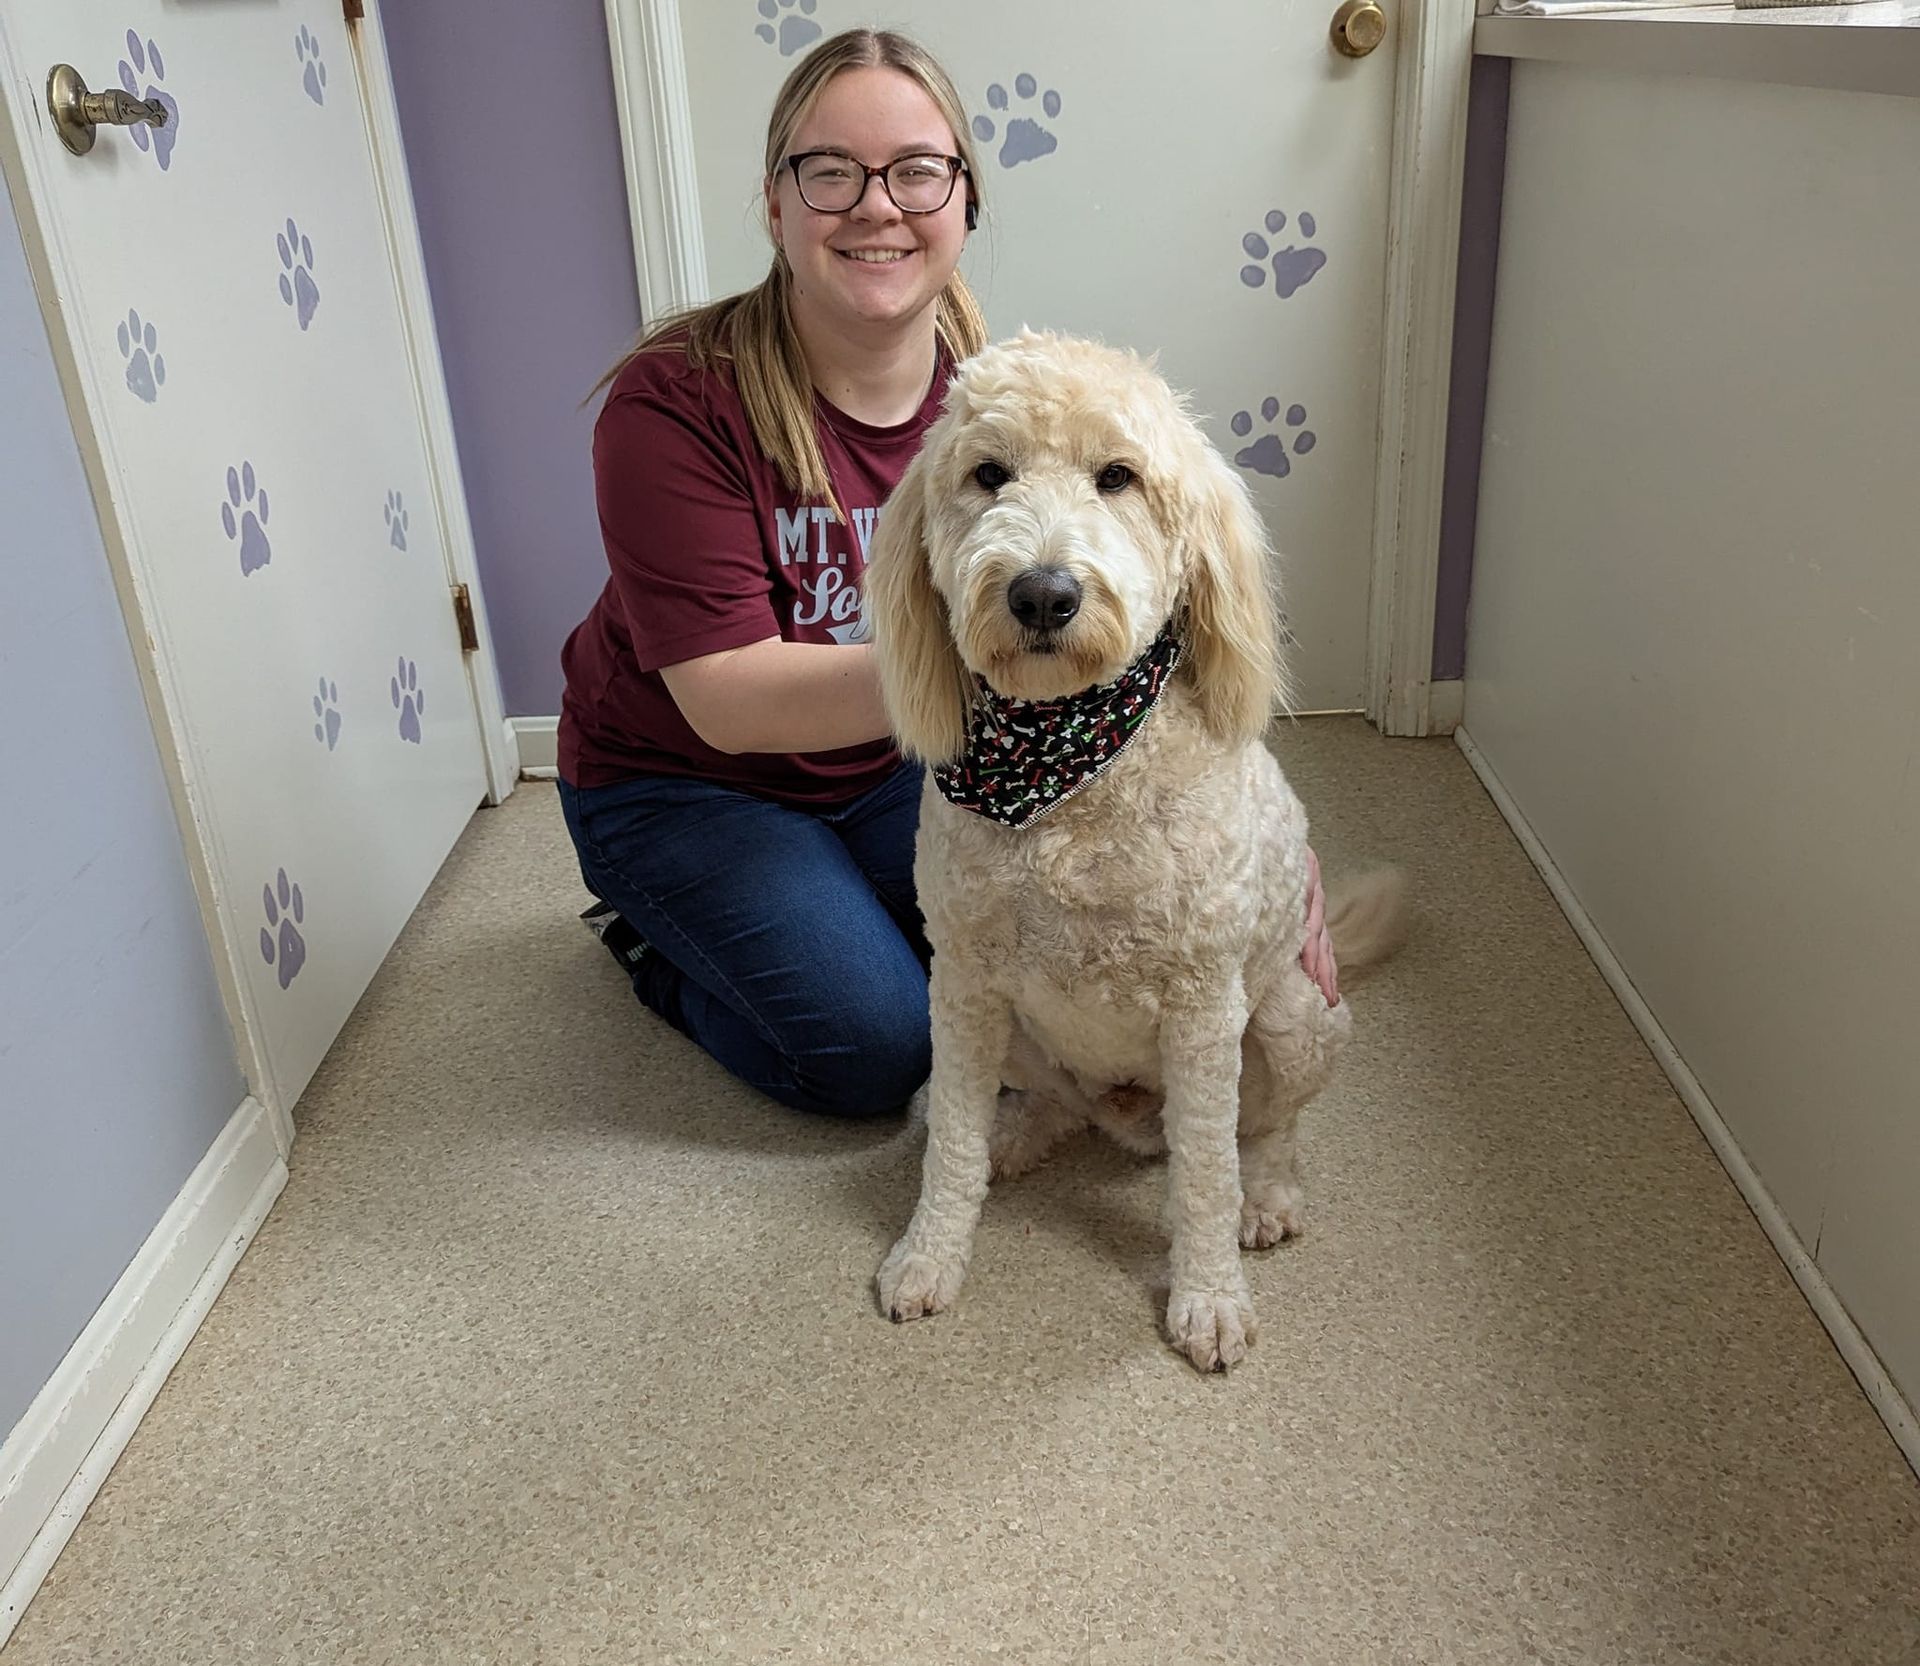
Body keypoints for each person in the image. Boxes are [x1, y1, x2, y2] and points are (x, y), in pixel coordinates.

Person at [556, 28, 1334, 1120]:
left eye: (918, 170)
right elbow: (725, 700)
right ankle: (651, 944)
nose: (877, 204)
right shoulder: (674, 404)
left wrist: (1270, 884)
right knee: (880, 1050)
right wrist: (1005, 653)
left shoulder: (998, 401)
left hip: (897, 754)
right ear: (774, 204)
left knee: (1032, 983)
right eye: (829, 171)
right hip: (687, 781)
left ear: (964, 202)